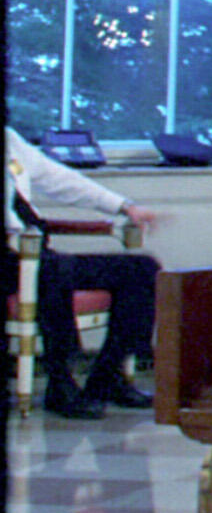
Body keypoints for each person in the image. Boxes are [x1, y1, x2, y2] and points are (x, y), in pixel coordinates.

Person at [7, 126, 161, 417]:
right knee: (52, 270)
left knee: (142, 270)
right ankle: (60, 381)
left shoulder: (9, 140)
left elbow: (58, 179)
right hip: (9, 255)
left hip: (33, 252)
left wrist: (124, 207)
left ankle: (107, 377)